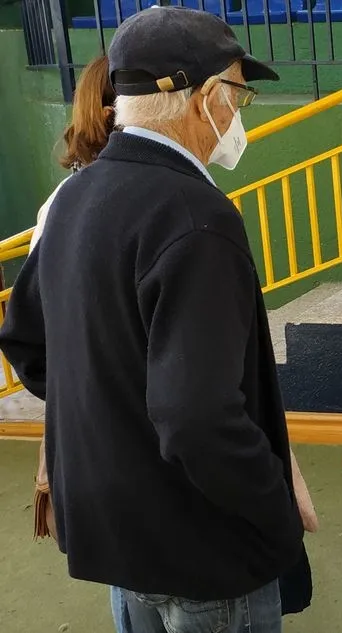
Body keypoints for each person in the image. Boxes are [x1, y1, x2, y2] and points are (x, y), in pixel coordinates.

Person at [0, 7, 311, 632]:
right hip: (206, 549)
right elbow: (198, 417)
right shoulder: (197, 217)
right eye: (239, 95)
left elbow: (31, 347)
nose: (238, 115)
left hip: (118, 536)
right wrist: (274, 507)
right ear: (208, 100)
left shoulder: (72, 200)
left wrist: (118, 419)